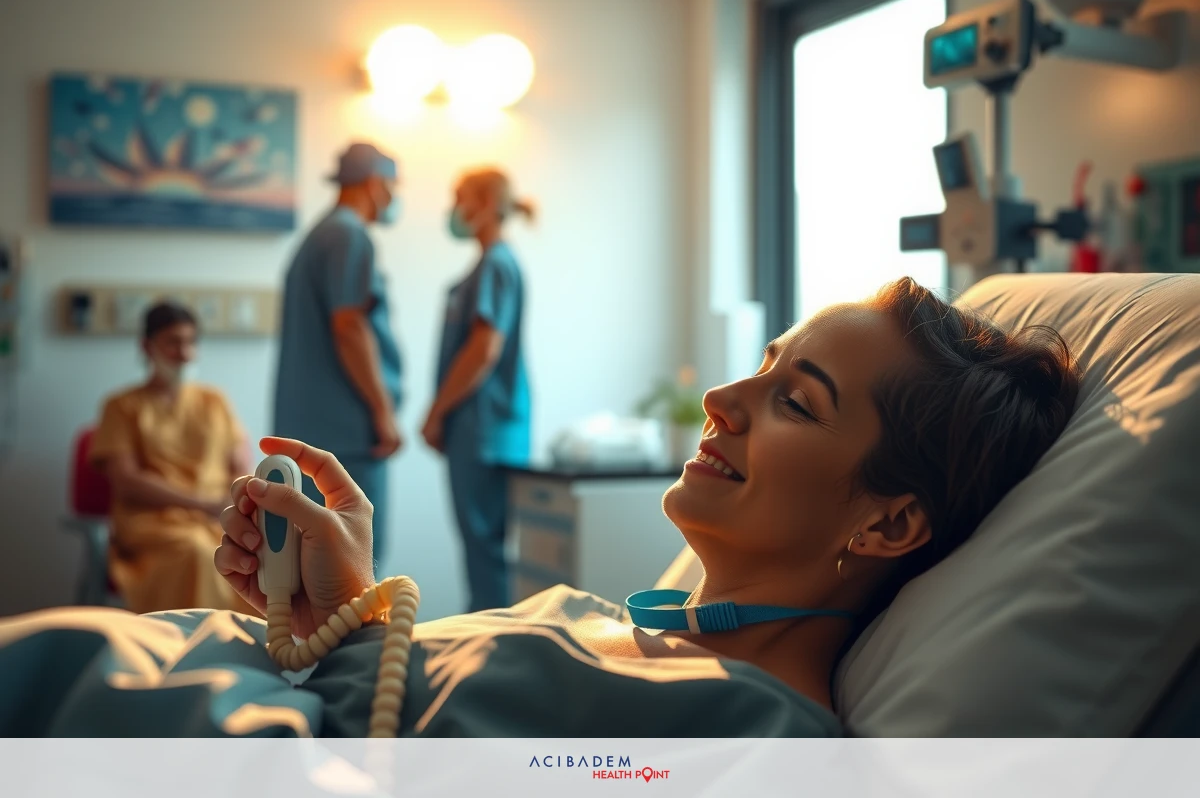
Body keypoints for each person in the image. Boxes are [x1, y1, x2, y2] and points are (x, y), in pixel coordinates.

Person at [1, 277, 1080, 737]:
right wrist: (345, 612)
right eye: (761, 364)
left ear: (887, 523)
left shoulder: (750, 737)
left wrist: (342, 659)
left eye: (796, 400)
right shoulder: (604, 623)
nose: (721, 398)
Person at [272, 142, 405, 577]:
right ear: (375, 182)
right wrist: (383, 412)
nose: (393, 197)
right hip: (346, 435)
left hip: (316, 432)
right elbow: (349, 326)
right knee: (354, 569)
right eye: (392, 186)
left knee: (315, 570)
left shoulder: (320, 235)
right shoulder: (349, 236)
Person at [87, 301, 251, 614]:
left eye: (190, 342)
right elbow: (127, 482)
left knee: (271, 553)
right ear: (147, 347)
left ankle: (261, 642)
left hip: (218, 519)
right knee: (200, 552)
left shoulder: (215, 402)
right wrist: (202, 504)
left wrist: (231, 505)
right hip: (153, 525)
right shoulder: (122, 407)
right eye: (173, 342)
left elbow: (242, 468)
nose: (184, 353)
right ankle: (196, 642)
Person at [421, 167, 535, 612]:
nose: (453, 209)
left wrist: (436, 413)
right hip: (483, 428)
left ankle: (489, 647)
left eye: (460, 197)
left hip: (483, 429)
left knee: (484, 553)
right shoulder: (490, 266)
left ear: (486, 204)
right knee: (482, 552)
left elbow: (484, 349)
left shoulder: (496, 265)